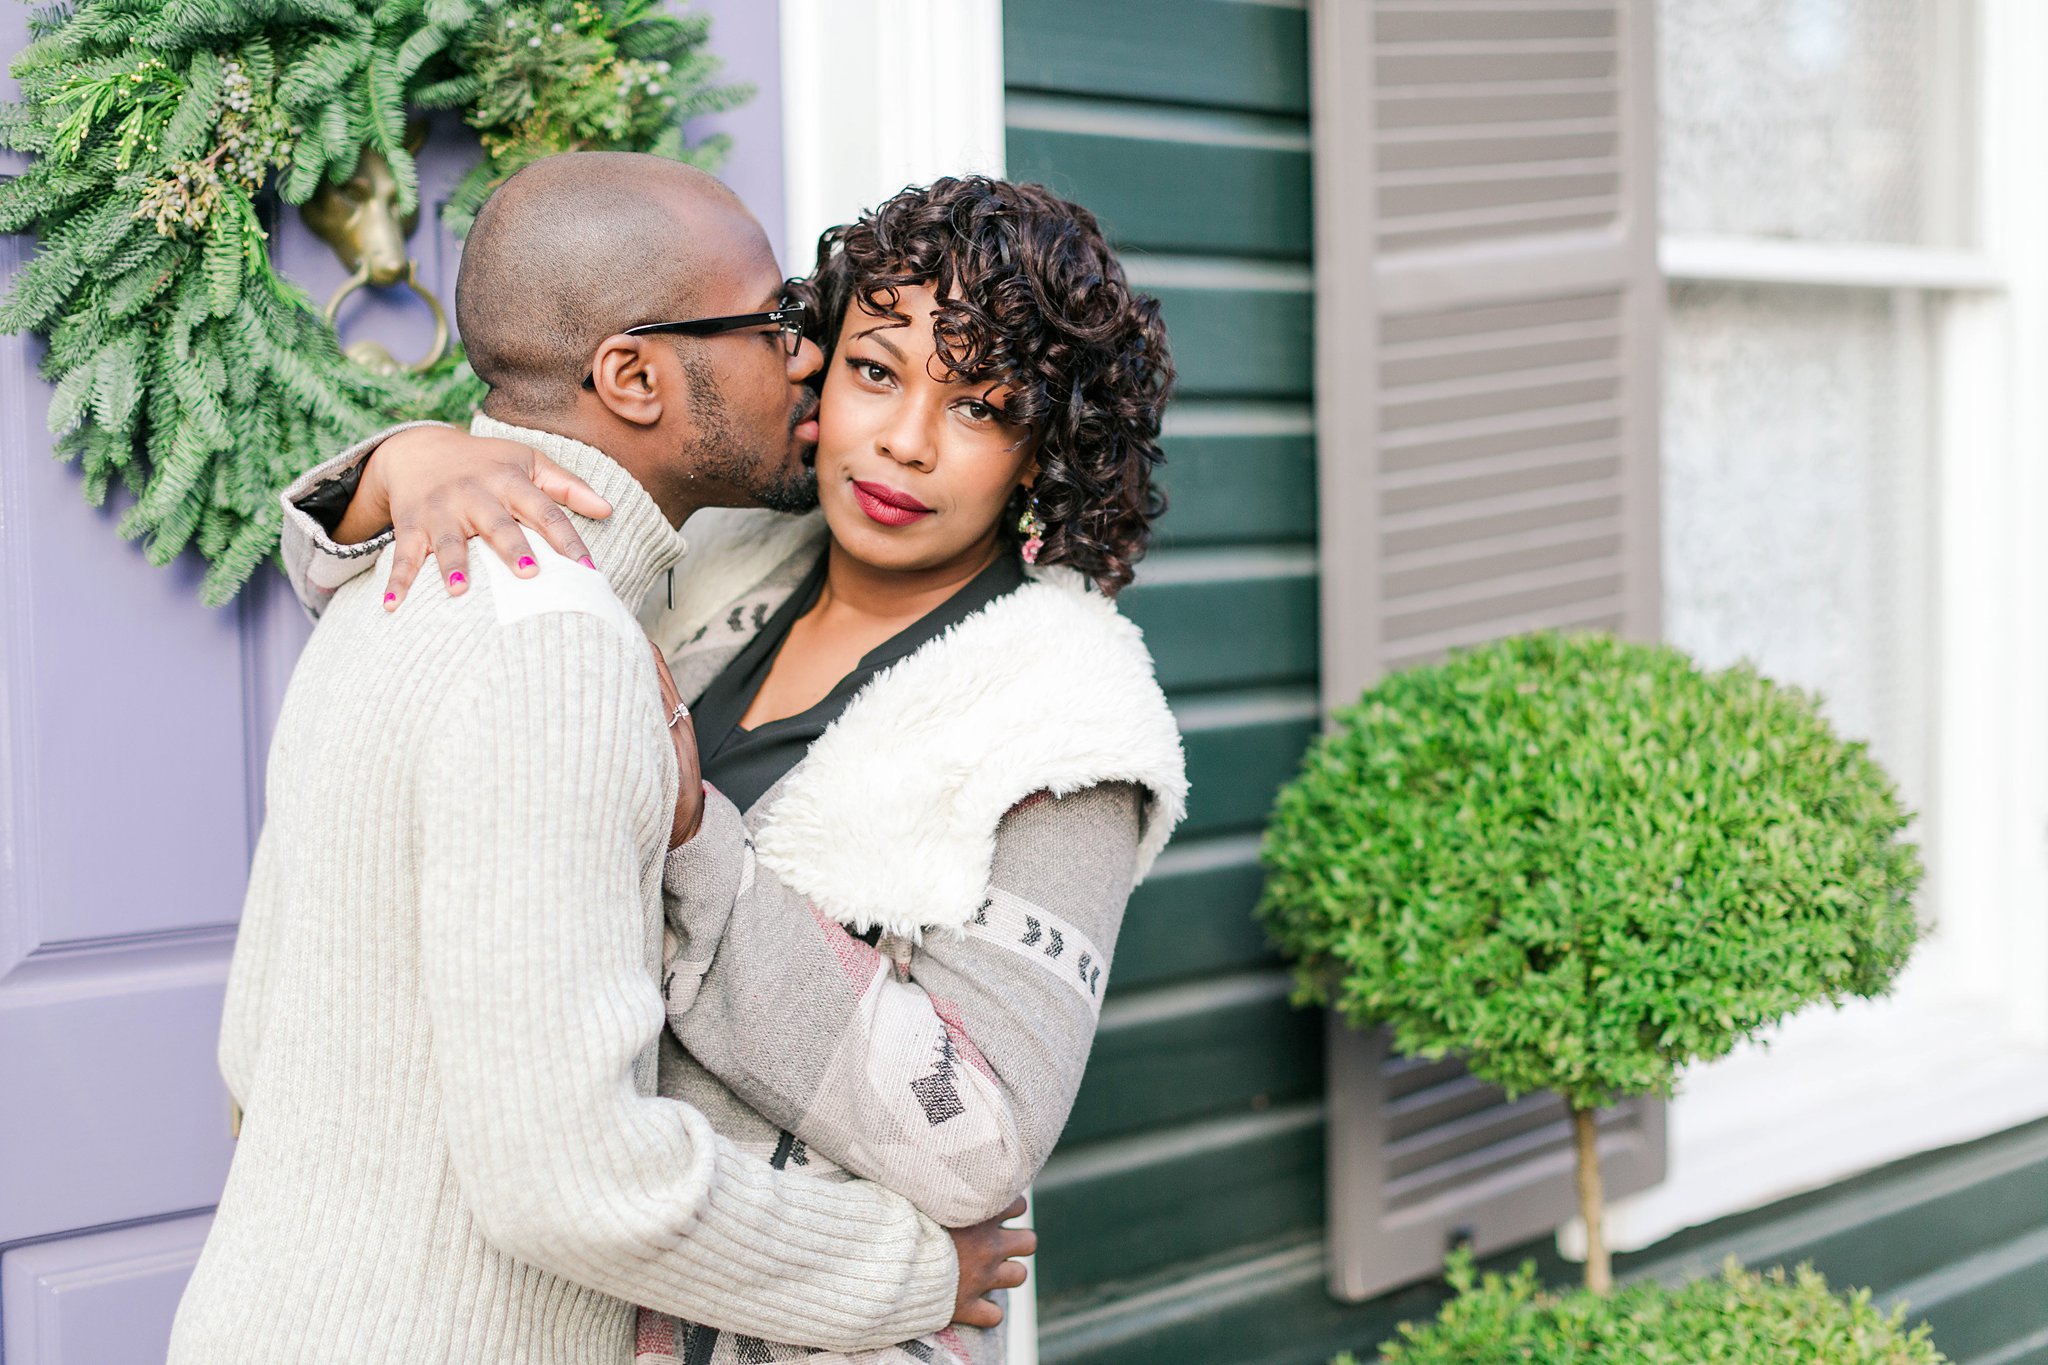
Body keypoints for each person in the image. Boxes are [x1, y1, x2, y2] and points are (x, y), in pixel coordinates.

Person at [280, 176, 1187, 1365]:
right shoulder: (711, 557)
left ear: (1042, 449)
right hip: (563, 1292)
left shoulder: (1066, 719)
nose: (904, 442)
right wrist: (407, 459)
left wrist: (700, 842)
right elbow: (471, 600)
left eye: (981, 405)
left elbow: (981, 1139)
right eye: (875, 369)